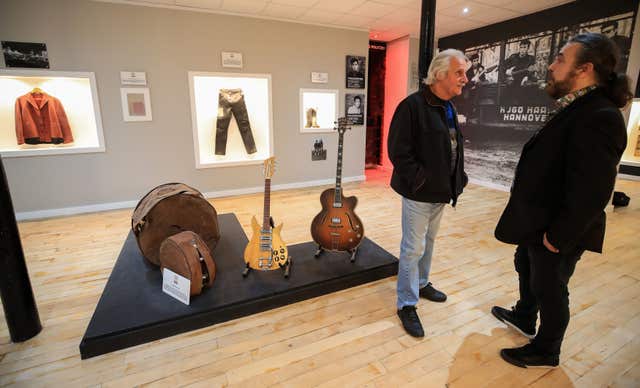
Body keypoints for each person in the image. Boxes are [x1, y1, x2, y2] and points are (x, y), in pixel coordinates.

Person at [492, 33, 632, 368]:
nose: (552, 65)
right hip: (538, 217)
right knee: (525, 265)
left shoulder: (601, 115)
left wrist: (558, 237)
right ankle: (525, 316)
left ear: (584, 68)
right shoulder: (577, 106)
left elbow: (593, 191)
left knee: (550, 286)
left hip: (558, 227)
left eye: (560, 59)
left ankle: (546, 348)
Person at [388, 49, 469, 337]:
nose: (465, 79)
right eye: (459, 72)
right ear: (440, 74)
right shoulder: (412, 106)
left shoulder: (447, 106)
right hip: (419, 192)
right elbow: (398, 151)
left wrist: (459, 177)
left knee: (429, 241)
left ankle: (421, 284)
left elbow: (452, 146)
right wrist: (420, 180)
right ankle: (406, 303)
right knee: (412, 248)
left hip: (441, 191)